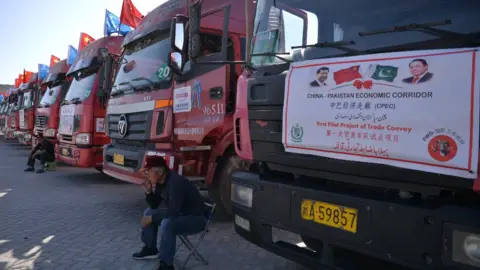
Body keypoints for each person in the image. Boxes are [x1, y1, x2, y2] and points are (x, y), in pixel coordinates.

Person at [133, 155, 206, 270]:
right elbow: (155, 205)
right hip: (181, 214)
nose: (146, 175)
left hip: (196, 218)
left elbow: (173, 213)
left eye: (148, 172)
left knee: (167, 224)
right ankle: (150, 248)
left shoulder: (175, 183)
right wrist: (148, 192)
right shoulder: (161, 181)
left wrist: (153, 219)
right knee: (149, 212)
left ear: (160, 171)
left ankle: (167, 264)